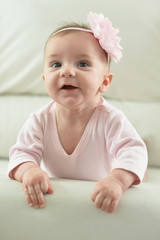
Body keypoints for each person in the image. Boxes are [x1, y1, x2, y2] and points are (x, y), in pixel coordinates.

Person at [8, 12, 148, 213]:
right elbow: (22, 152)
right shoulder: (39, 120)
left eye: (82, 64)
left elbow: (134, 152)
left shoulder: (111, 120)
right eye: (56, 64)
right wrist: (29, 170)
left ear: (105, 82)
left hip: (95, 202)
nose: (66, 71)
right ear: (45, 79)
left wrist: (116, 180)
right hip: (59, 204)